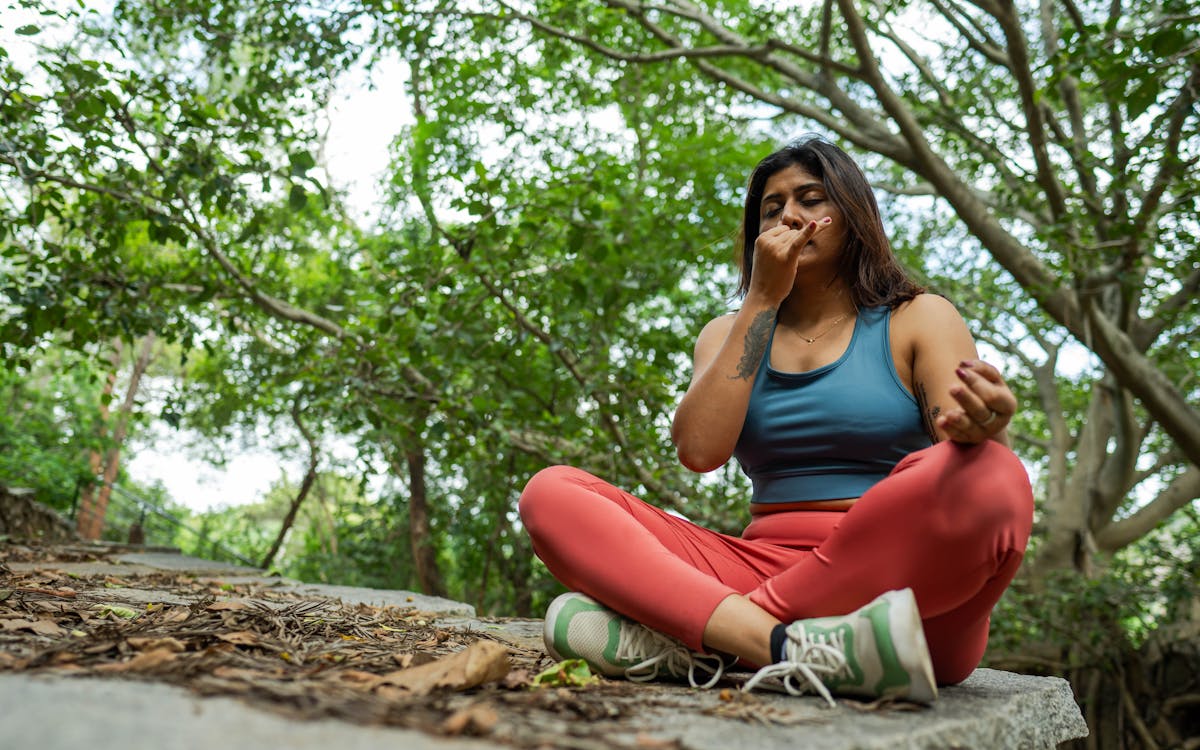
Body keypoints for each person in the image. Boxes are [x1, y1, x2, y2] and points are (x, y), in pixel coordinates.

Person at [518, 136, 1034, 705]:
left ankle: (708, 637)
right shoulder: (726, 333)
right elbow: (699, 451)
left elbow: (968, 461)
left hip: (899, 596)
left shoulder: (919, 318)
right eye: (772, 208)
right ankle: (792, 649)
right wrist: (761, 300)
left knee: (994, 472)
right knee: (552, 493)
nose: (790, 215)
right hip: (753, 571)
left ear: (853, 214)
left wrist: (988, 429)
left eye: (811, 199)